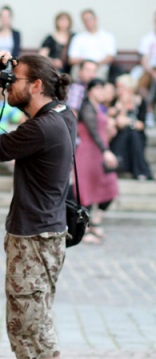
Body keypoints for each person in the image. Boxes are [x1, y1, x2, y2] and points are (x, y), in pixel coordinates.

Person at [0, 51, 75, 359]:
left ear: (36, 85)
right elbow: (27, 122)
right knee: (36, 317)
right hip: (46, 232)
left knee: (37, 324)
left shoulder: (40, 129)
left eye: (14, 78)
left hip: (34, 237)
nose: (8, 84)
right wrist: (4, 87)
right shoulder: (61, 115)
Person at [74, 78, 120, 244]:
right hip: (88, 153)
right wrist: (106, 150)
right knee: (86, 191)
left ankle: (95, 222)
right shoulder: (86, 108)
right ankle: (83, 230)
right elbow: (93, 131)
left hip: (99, 152)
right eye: (99, 88)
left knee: (109, 187)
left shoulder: (98, 108)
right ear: (91, 90)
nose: (102, 92)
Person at [109, 73, 154, 180]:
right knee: (130, 134)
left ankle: (127, 167)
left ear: (129, 88)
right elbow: (119, 123)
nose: (118, 90)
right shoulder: (115, 101)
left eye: (121, 87)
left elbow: (141, 125)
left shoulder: (140, 101)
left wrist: (129, 122)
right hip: (120, 135)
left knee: (133, 134)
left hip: (136, 134)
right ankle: (141, 171)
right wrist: (123, 106)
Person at [67, 9, 117, 81]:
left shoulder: (108, 36)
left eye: (90, 19)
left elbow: (110, 57)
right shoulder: (78, 38)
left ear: (96, 19)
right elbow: (72, 59)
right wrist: (86, 65)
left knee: (100, 71)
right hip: (82, 66)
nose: (88, 22)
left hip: (100, 66)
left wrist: (94, 65)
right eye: (85, 20)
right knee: (76, 70)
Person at [137, 11, 156, 125]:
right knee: (145, 80)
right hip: (150, 70)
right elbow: (144, 61)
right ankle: (148, 110)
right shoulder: (148, 38)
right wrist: (152, 72)